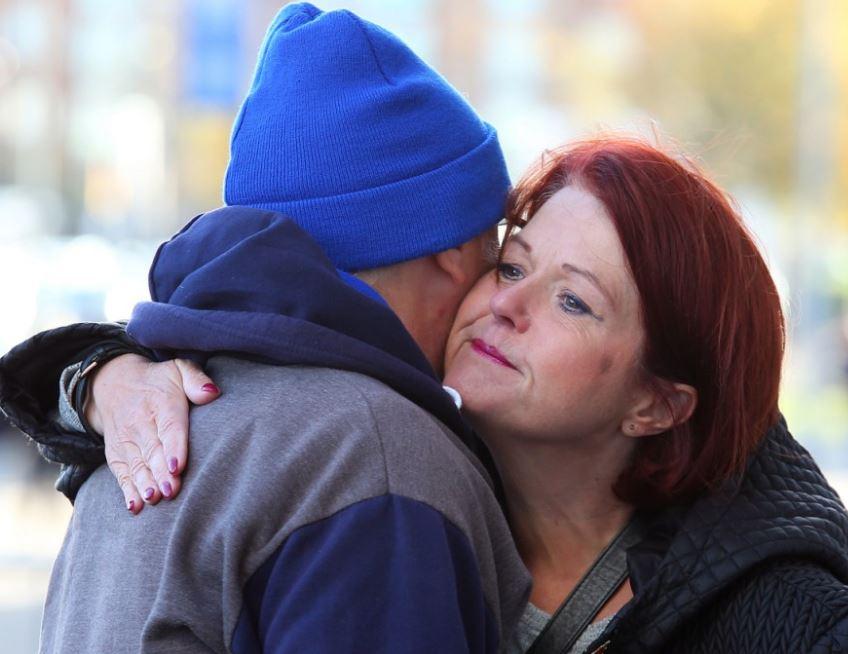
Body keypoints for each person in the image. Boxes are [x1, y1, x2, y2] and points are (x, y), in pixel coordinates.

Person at [3, 27, 848, 654]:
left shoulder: (796, 629)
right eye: (512, 267)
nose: (506, 306)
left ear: (659, 400)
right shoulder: (385, 479)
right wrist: (97, 374)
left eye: (574, 303)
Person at [0, 4, 534, 653]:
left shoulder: (143, 425)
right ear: (451, 249)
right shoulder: (373, 455)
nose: (504, 296)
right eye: (498, 254)